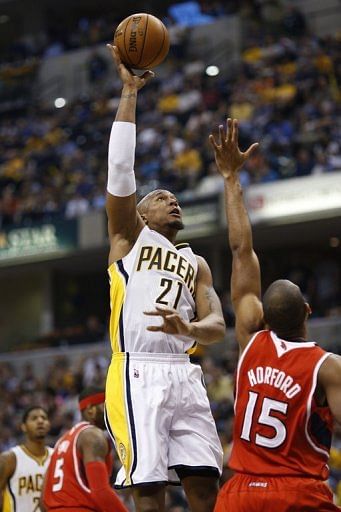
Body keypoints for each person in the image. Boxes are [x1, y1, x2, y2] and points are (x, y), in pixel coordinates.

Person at [104, 44, 226, 512]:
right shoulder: (129, 239)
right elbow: (120, 170)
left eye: (175, 198)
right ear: (140, 212)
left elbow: (216, 322)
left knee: (204, 487)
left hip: (184, 372)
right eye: (161, 196)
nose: (172, 200)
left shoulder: (196, 262)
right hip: (137, 368)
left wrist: (190, 329)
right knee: (149, 488)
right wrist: (129, 93)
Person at [209, 118, 341, 511]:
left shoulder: (251, 338)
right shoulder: (328, 366)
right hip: (298, 493)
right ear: (308, 311)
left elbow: (240, 251)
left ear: (264, 316)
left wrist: (231, 179)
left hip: (239, 493)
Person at [42, 386, 127, 512]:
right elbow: (100, 491)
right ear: (90, 410)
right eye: (106, 407)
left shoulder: (62, 441)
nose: (112, 412)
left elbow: (42, 500)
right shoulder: (92, 436)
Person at [0, 406, 52, 511]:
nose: (40, 421)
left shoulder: (57, 457)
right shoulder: (10, 459)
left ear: (49, 425)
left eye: (44, 418)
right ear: (23, 427)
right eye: (34, 418)